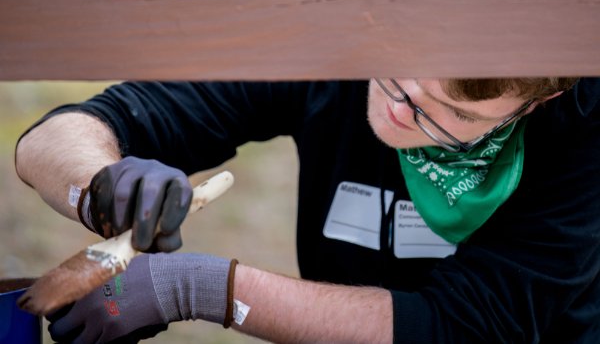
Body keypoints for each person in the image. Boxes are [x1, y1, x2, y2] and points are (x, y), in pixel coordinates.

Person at [14, 77, 600, 343]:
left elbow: (465, 327)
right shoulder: (337, 48)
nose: (402, 109)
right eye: (399, 77)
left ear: (540, 97)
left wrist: (203, 286)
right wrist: (97, 183)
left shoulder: (581, 124)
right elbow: (56, 136)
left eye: (453, 114)